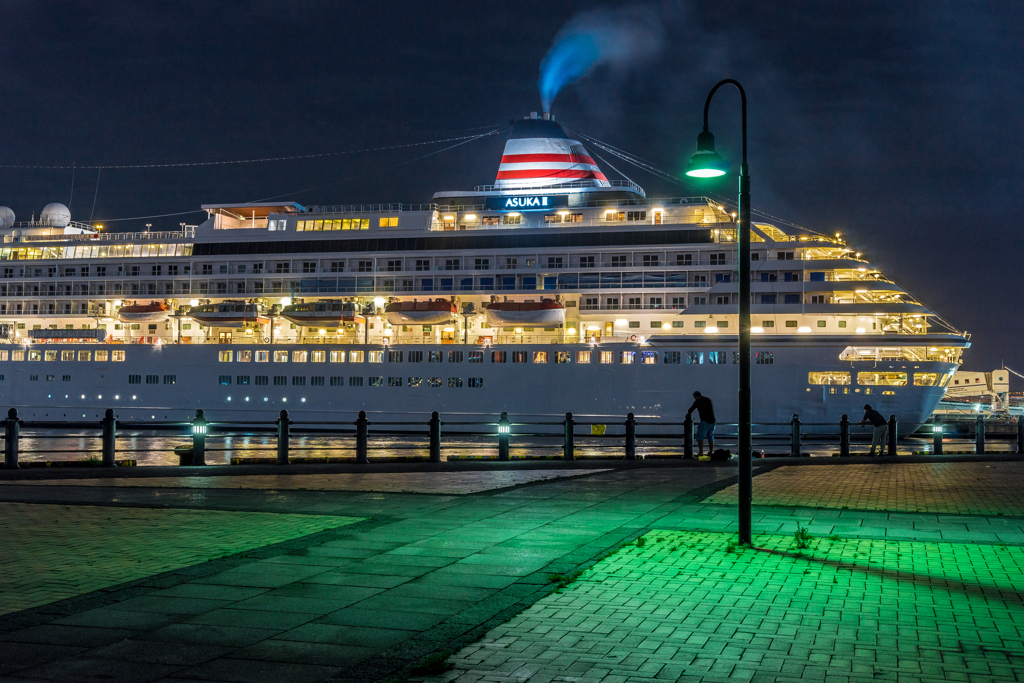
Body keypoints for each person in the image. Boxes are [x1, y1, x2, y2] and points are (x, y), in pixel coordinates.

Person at [686, 391, 716, 457]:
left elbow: (690, 410)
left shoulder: (698, 401)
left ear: (695, 396)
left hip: (705, 421)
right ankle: (710, 452)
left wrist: (688, 414)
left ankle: (701, 452)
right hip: (712, 421)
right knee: (710, 437)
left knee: (700, 438)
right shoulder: (708, 399)